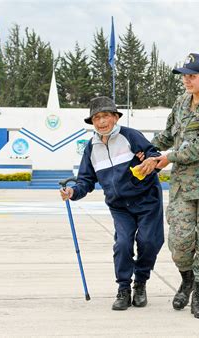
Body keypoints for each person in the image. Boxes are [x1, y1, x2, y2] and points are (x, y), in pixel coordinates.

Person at [139, 53, 199, 319]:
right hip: (183, 188)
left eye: (192, 75)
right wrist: (145, 148)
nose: (186, 80)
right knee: (179, 243)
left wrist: (167, 157)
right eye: (184, 75)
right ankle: (187, 279)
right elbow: (169, 134)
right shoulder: (181, 103)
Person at [59, 96, 164, 311]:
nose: (101, 121)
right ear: (92, 122)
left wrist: (151, 162)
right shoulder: (91, 147)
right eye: (96, 118)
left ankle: (141, 282)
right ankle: (124, 288)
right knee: (123, 244)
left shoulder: (130, 136)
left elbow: (154, 155)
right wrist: (72, 192)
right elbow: (85, 180)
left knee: (149, 242)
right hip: (119, 206)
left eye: (105, 116)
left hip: (147, 200)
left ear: (115, 117)